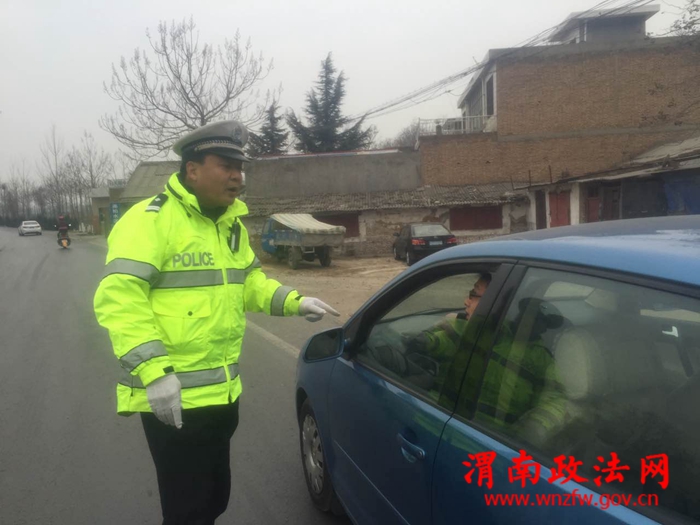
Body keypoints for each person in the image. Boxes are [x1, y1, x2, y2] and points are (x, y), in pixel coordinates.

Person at [93, 120, 340, 524]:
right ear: (192, 169)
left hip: (222, 396)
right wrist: (154, 374)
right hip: (174, 398)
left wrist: (295, 302)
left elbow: (249, 283)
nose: (237, 177)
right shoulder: (150, 220)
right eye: (226, 166)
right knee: (187, 511)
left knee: (214, 500)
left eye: (240, 167)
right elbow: (120, 298)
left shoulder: (229, 225)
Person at [408, 273, 569, 447]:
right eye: (524, 313)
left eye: (473, 295)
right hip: (436, 422)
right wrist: (427, 342)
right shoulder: (484, 331)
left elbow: (555, 398)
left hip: (488, 441)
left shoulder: (543, 360)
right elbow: (447, 341)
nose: (466, 302)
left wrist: (535, 427)